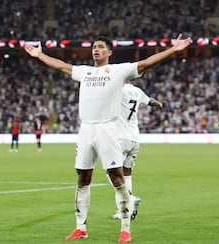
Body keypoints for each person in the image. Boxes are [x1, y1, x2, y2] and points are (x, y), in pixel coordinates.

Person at [24, 33, 192, 243]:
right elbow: (62, 66)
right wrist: (40, 55)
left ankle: (125, 229)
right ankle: (80, 227)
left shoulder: (119, 71)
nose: (96, 49)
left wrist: (173, 50)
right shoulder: (85, 72)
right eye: (94, 46)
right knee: (82, 179)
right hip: (86, 130)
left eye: (101, 47)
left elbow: (147, 62)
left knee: (117, 178)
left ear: (109, 52)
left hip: (107, 129)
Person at [110, 83, 163, 220]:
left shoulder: (116, 88)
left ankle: (130, 199)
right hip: (134, 139)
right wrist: (159, 104)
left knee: (113, 173)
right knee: (126, 175)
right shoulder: (137, 91)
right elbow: (150, 101)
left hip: (120, 138)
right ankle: (124, 210)